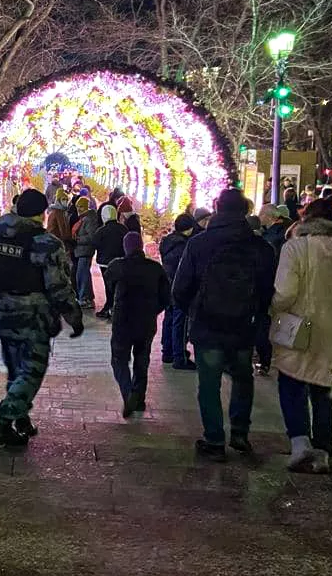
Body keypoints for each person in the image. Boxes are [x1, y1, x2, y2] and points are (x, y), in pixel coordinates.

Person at [172, 188, 277, 462]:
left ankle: (215, 439)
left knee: (209, 383)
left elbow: (181, 288)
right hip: (243, 326)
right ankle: (240, 432)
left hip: (208, 326)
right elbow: (268, 290)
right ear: (246, 210)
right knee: (243, 379)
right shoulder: (261, 247)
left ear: (217, 208)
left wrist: (195, 311)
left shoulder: (199, 244)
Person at [0, 189, 83, 447]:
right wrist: (73, 316)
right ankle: (3, 422)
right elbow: (58, 287)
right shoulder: (47, 244)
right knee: (31, 371)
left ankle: (20, 418)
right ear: (41, 214)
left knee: (15, 368)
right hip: (33, 318)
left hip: (0, 314)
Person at [270, 199, 332, 474]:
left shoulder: (295, 248)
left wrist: (273, 309)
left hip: (299, 326)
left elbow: (285, 292)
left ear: (306, 220)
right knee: (323, 389)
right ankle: (324, 449)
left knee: (291, 382)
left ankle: (300, 443)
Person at [106, 231, 171, 417]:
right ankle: (139, 398)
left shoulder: (117, 266)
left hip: (123, 321)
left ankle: (128, 393)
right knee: (142, 361)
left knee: (119, 360)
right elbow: (166, 297)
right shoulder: (155, 268)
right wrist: (154, 310)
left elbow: (109, 286)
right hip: (146, 322)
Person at [254, 204, 293, 377]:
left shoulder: (271, 238)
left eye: (261, 215)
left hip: (268, 284)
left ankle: (265, 359)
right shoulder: (283, 233)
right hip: (277, 284)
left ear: (269, 217)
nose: (259, 218)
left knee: (263, 322)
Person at [158, 213, 197, 369]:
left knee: (169, 319)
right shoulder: (184, 246)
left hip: (167, 285)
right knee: (179, 323)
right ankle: (179, 357)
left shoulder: (167, 242)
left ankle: (167, 351)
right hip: (179, 288)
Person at [92, 204, 127, 320]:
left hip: (105, 263)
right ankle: (117, 307)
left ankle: (109, 307)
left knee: (108, 286)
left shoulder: (101, 231)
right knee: (118, 285)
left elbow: (95, 244)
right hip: (120, 261)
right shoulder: (123, 229)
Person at [71, 198, 99, 307]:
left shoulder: (89, 219)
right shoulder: (83, 218)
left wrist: (78, 239)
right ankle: (87, 297)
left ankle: (84, 298)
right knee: (83, 274)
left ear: (86, 207)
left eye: (81, 206)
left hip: (85, 251)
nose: (79, 209)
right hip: (81, 251)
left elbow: (92, 236)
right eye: (78, 206)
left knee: (82, 275)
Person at [45, 203, 75, 268]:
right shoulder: (59, 213)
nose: (66, 201)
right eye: (64, 199)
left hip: (51, 240)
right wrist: (69, 240)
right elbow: (63, 229)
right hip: (58, 241)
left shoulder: (53, 212)